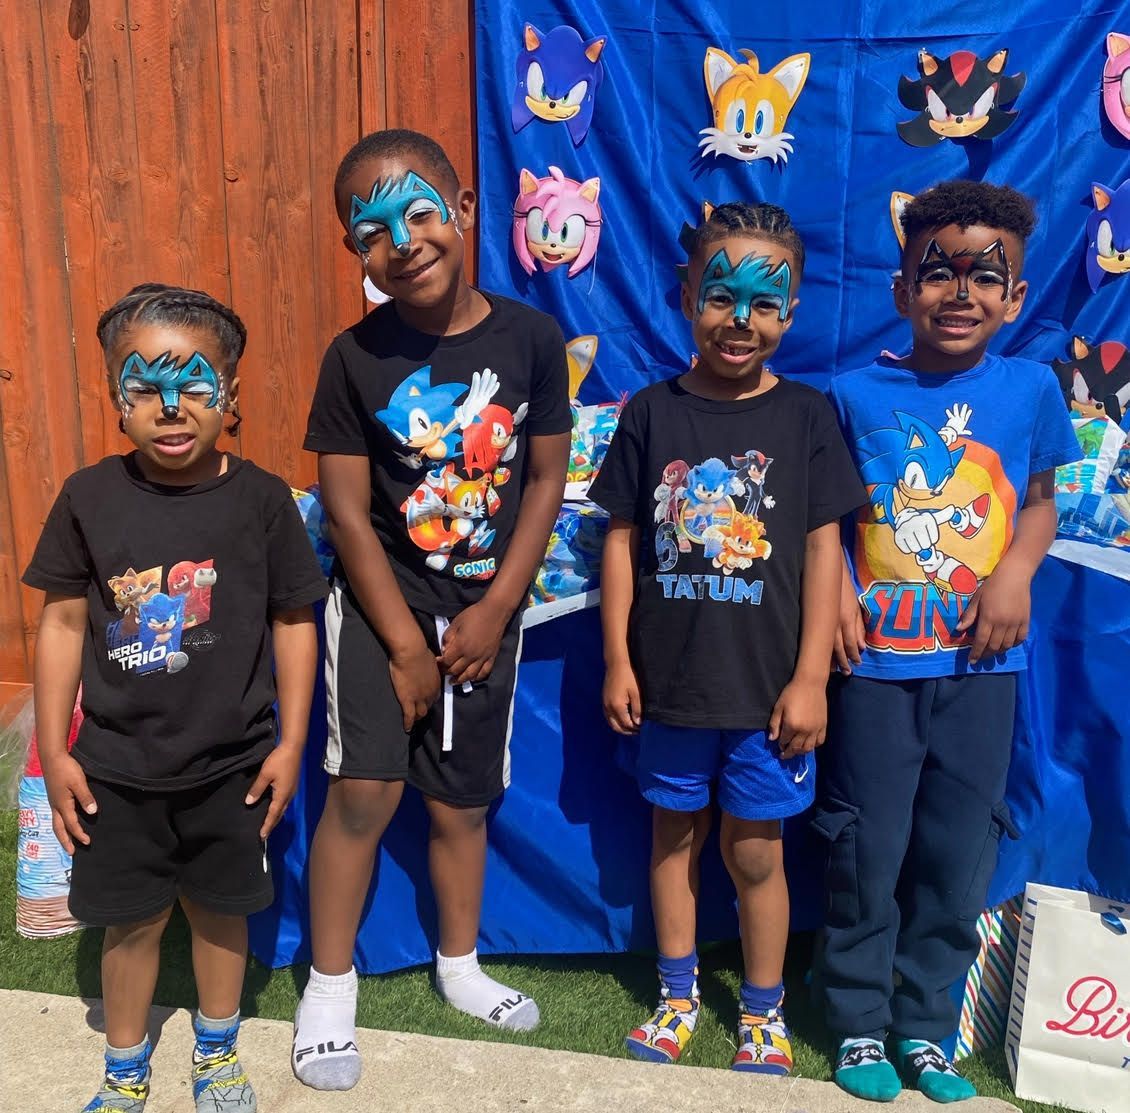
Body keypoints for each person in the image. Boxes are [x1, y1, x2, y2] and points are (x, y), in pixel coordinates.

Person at [294, 128, 571, 1091]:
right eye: (373, 229)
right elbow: (344, 509)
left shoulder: (532, 340)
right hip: (380, 612)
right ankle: (329, 985)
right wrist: (404, 640)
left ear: (462, 210)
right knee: (363, 791)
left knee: (461, 802)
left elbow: (544, 480)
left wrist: (498, 605)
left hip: (483, 613)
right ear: (355, 252)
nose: (403, 240)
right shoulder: (352, 355)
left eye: (420, 211)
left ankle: (460, 962)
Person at [23, 284, 326, 1113]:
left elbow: (296, 622)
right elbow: (59, 625)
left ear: (231, 397)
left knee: (223, 913)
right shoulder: (88, 498)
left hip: (233, 765)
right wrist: (55, 754)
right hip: (115, 768)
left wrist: (291, 742)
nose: (169, 406)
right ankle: (125, 1069)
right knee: (132, 922)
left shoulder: (264, 500)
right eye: (145, 386)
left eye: (194, 385)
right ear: (114, 397)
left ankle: (218, 1054)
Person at [589, 202, 865, 1073]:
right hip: (669, 685)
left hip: (768, 694)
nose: (739, 319)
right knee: (674, 837)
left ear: (791, 311)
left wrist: (812, 676)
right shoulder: (649, 413)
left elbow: (828, 549)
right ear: (685, 296)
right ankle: (676, 996)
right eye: (720, 295)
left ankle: (761, 1009)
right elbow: (623, 542)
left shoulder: (808, 418)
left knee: (756, 850)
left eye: (763, 302)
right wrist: (618, 658)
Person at [822, 180, 1080, 1103]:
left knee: (955, 848)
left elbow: (1041, 504)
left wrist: (1013, 573)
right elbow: (830, 523)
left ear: (1015, 297)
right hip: (876, 673)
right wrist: (841, 598)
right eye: (938, 273)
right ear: (901, 289)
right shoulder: (851, 396)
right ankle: (855, 1021)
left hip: (982, 670)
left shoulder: (1031, 389)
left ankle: (925, 1024)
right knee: (867, 845)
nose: (960, 293)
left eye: (985, 278)